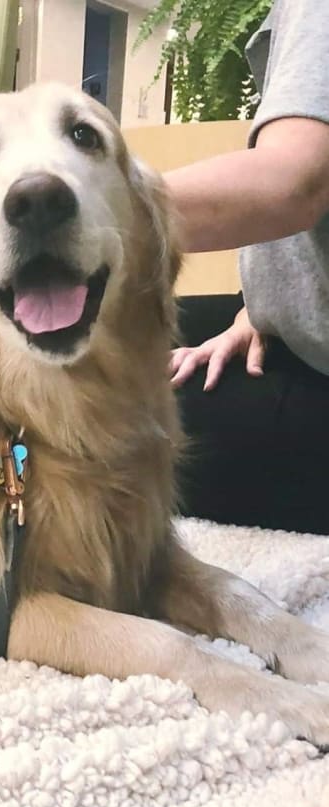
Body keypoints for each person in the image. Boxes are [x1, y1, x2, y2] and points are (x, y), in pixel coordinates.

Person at [164, 0, 329, 534]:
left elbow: (292, 184)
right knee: (116, 340)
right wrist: (259, 312)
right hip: (293, 339)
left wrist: (79, 218)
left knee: (91, 411)